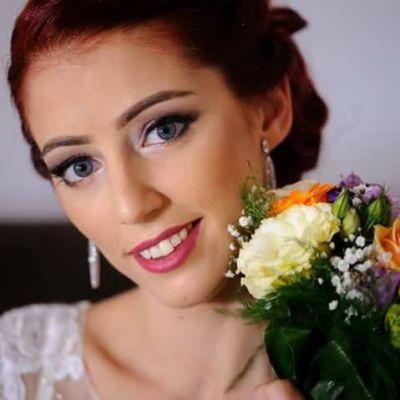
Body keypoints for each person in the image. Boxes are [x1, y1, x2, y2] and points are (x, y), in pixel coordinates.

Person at [0, 0, 327, 398]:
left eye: (163, 129)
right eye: (79, 167)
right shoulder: (15, 368)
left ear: (270, 110)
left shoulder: (380, 350)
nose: (130, 206)